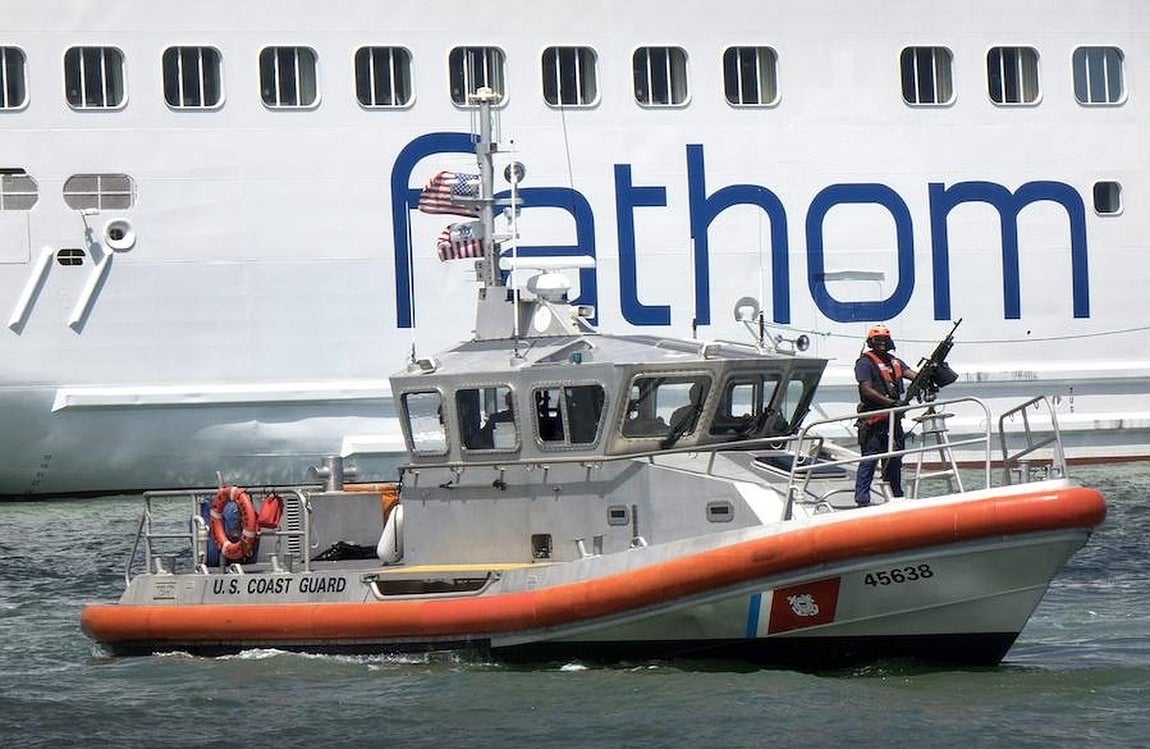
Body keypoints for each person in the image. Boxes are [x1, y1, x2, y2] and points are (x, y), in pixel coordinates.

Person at [854, 324, 917, 506]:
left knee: (895, 458)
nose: (882, 343)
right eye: (878, 340)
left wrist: (929, 376)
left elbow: (911, 374)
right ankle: (862, 500)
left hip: (894, 421)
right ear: (871, 342)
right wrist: (891, 404)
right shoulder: (864, 363)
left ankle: (896, 496)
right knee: (869, 460)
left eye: (884, 340)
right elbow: (866, 390)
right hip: (874, 422)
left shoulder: (894, 361)